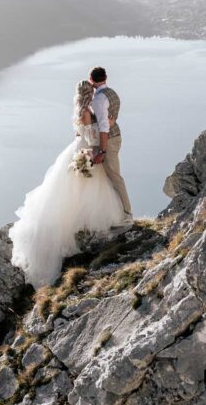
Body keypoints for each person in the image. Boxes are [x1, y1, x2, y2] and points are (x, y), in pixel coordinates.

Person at [9, 78, 125, 286]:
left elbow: (80, 131)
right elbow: (90, 137)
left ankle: (77, 222)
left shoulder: (80, 111)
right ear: (90, 93)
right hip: (87, 148)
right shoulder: (87, 112)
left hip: (76, 146)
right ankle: (83, 224)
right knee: (85, 188)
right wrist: (98, 146)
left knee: (73, 189)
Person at [89, 66, 133, 228]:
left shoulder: (99, 99)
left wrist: (102, 150)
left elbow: (104, 126)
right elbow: (112, 118)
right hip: (116, 136)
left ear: (92, 80)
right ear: (105, 77)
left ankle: (127, 213)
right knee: (110, 176)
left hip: (109, 140)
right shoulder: (113, 93)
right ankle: (114, 212)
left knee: (114, 176)